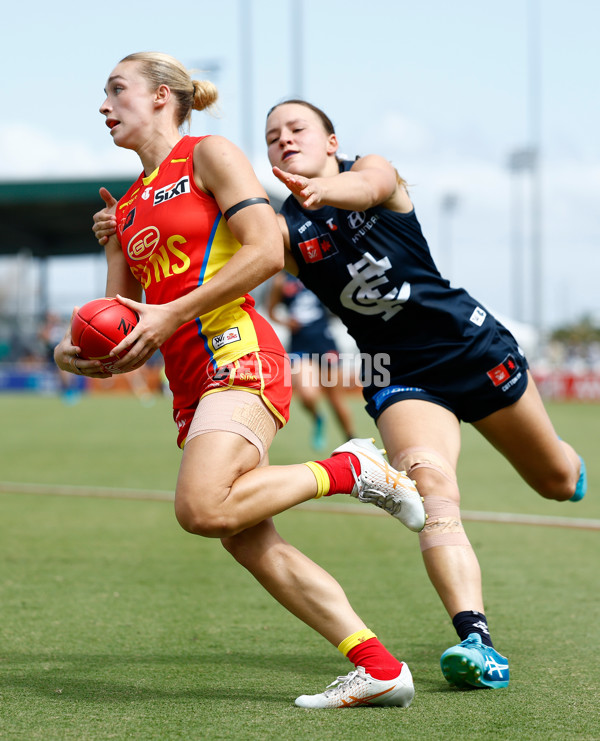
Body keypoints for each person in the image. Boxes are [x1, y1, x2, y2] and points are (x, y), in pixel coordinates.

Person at [59, 53, 426, 709]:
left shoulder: (210, 154)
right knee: (239, 532)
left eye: (117, 90)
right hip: (187, 379)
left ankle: (350, 470)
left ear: (164, 97)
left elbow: (262, 251)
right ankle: (378, 666)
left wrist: (172, 309)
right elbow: (120, 335)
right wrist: (81, 350)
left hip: (239, 349)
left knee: (201, 507)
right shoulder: (130, 205)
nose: (104, 105)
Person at [258, 99, 586, 690]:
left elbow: (363, 187)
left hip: (471, 348)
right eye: (272, 136)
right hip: (398, 372)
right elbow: (220, 254)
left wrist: (323, 192)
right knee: (432, 486)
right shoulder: (285, 231)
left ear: (332, 142)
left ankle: (567, 463)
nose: (284, 140)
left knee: (556, 481)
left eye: (297, 129)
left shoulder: (373, 174)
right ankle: (478, 641)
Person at [266, 271, 356, 449]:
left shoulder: (320, 271)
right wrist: (286, 322)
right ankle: (317, 417)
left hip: (324, 342)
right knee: (307, 394)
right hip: (300, 344)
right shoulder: (281, 280)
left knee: (335, 399)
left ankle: (352, 440)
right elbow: (271, 311)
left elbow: (341, 301)